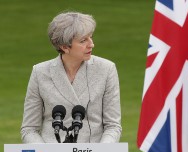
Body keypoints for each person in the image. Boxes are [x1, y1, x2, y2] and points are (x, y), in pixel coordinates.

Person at [21, 11, 122, 143]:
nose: (91, 44)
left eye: (90, 37)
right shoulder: (39, 72)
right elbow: (29, 129)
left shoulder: (106, 69)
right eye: (83, 40)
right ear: (64, 47)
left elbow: (113, 126)